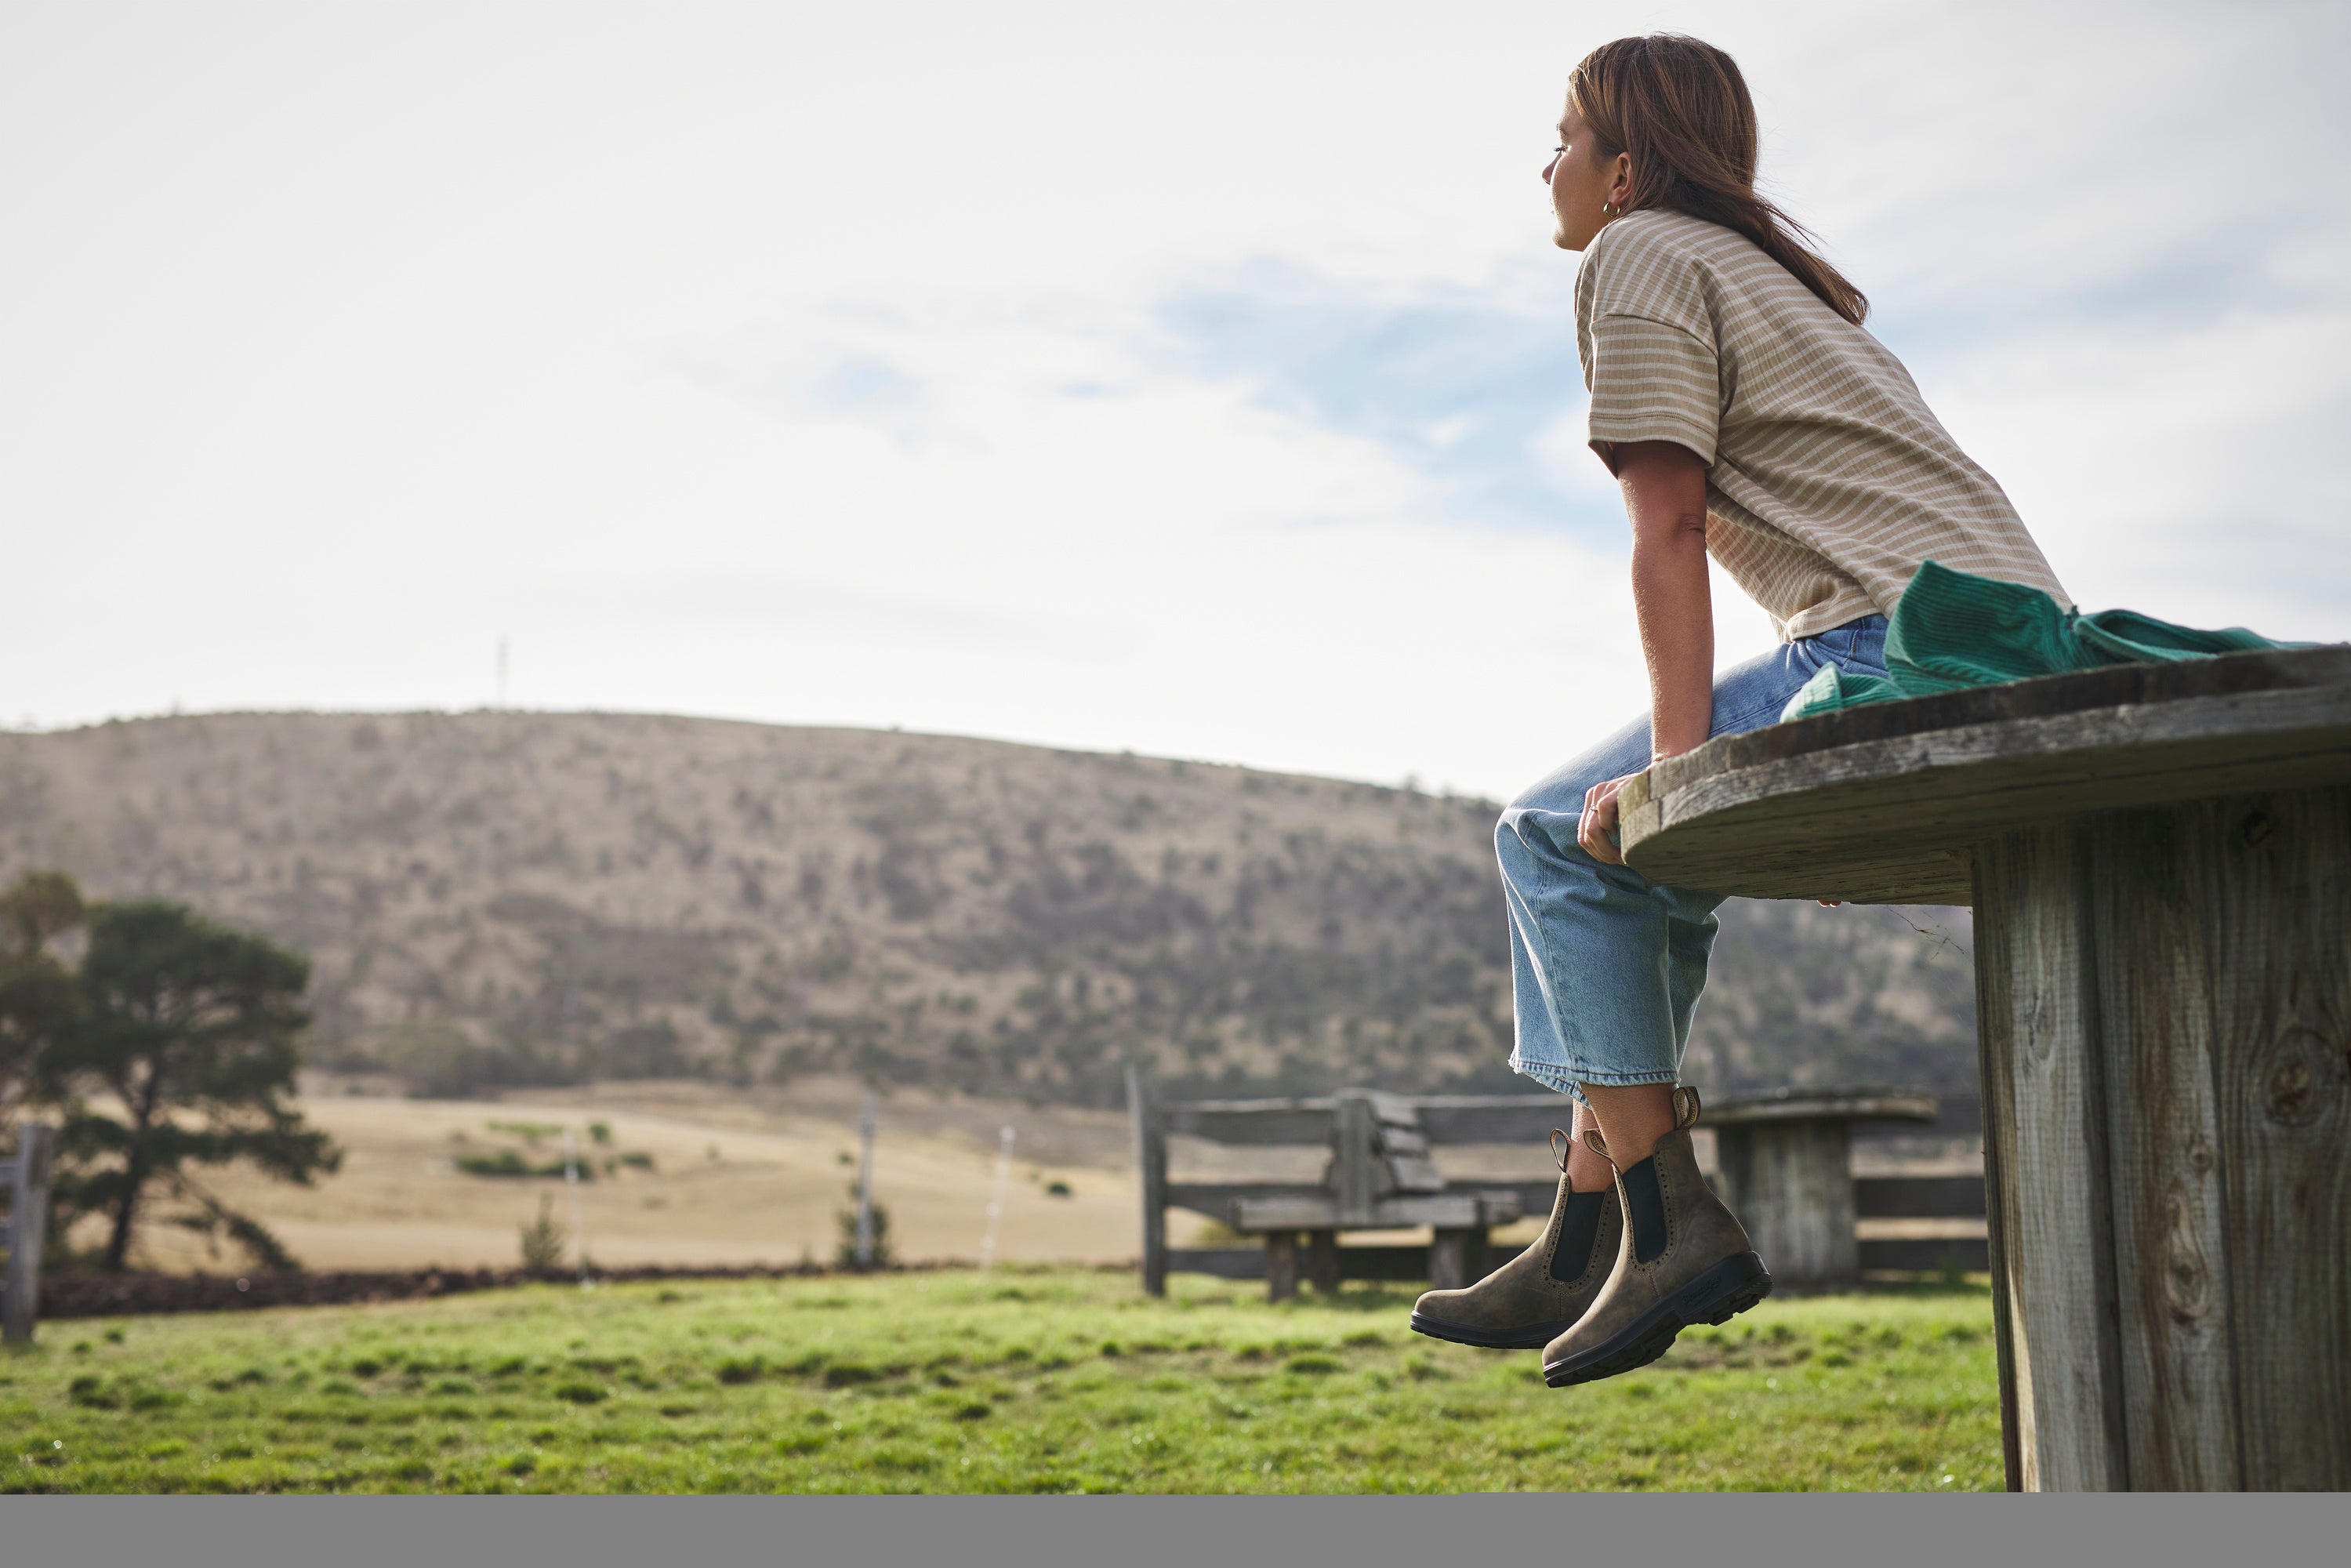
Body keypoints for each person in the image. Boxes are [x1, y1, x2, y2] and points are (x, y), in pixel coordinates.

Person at [1410, 33, 2070, 1388]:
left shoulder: (1637, 252)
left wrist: (1677, 779)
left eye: (1563, 137)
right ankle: (1587, 1226)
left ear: (1625, 167)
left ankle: (1664, 1226)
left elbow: (1665, 528)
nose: (1547, 165)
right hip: (1990, 639)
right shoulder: (1775, 278)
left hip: (1903, 645)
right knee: (1623, 866)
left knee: (1553, 838)